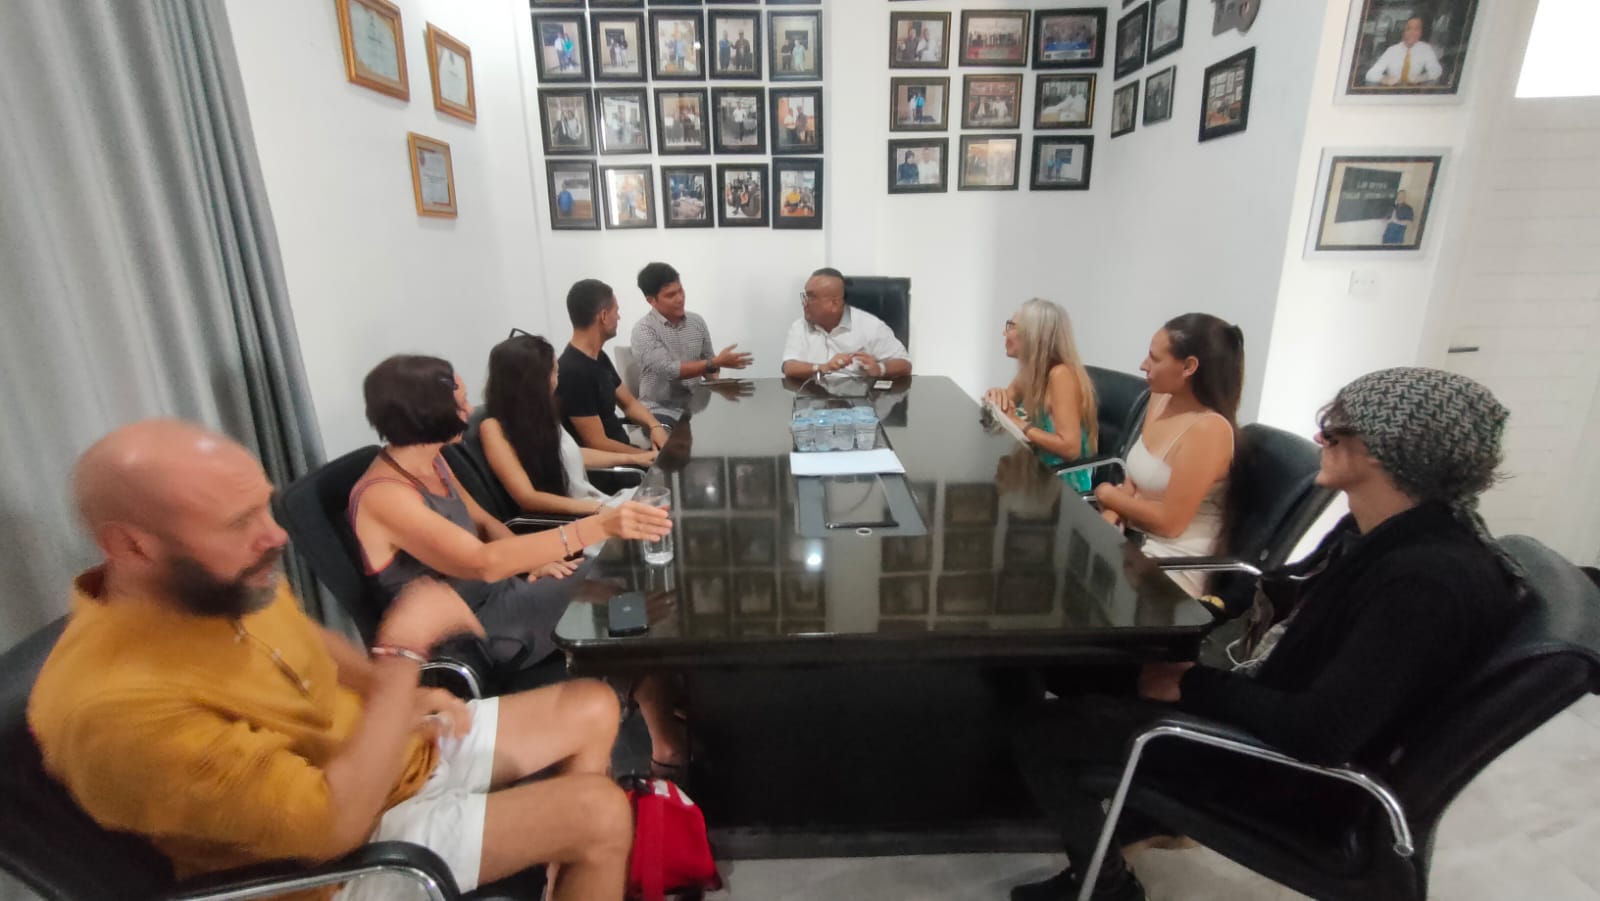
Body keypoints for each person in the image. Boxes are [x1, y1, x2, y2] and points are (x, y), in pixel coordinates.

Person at [29, 419, 651, 901]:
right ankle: (578, 852)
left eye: (265, 506)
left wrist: (391, 693)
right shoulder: (114, 710)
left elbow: (310, 642)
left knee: (593, 705)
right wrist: (402, 654)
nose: (275, 535)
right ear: (132, 545)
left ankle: (560, 874)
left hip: (387, 761)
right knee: (598, 815)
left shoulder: (217, 585)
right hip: (332, 865)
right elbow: (334, 825)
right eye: (238, 522)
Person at [1009, 367, 1522, 901]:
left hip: (1284, 771)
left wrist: (1190, 684)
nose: (1321, 437)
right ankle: (1141, 814)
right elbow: (1284, 610)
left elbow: (1320, 732)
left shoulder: (1425, 583)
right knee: (1075, 666)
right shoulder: (1381, 533)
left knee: (1040, 731)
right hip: (1269, 695)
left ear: (1384, 452)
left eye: (1336, 428)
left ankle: (1106, 886)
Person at [350, 354, 669, 666]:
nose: (469, 410)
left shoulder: (433, 461)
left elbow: (484, 521)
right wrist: (599, 525)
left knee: (623, 575)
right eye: (460, 403)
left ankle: (650, 684)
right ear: (426, 413)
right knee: (621, 597)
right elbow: (482, 563)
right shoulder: (385, 495)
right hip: (473, 630)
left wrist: (535, 563)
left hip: (503, 590)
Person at [1092, 313, 1243, 596]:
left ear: (1188, 367)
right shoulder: (1160, 398)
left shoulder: (1209, 430)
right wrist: (1113, 511)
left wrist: (1107, 495)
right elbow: (1135, 478)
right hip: (1136, 537)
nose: (1143, 365)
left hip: (1173, 562)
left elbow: (1170, 523)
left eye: (1155, 358)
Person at [483, 334, 655, 517]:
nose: (556, 378)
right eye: (553, 372)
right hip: (570, 517)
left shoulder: (541, 415)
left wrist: (634, 458)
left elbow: (570, 454)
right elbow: (528, 497)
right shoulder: (492, 428)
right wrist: (599, 510)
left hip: (593, 506)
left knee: (661, 501)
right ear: (532, 381)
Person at [983, 299, 1099, 492]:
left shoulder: (1061, 375)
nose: (1005, 333)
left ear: (1032, 334)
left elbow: (1070, 448)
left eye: (1011, 326)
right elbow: (1003, 409)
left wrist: (1019, 424)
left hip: (1062, 484)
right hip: (1034, 469)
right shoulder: (1030, 372)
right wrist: (994, 397)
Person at [556, 278, 672, 455]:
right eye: (616, 311)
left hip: (627, 454)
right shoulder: (573, 372)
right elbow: (597, 443)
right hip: (614, 465)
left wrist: (654, 425)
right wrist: (647, 457)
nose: (618, 317)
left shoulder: (598, 357)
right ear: (603, 316)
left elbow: (629, 403)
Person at [630, 261, 753, 423]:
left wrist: (720, 385)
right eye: (671, 295)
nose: (680, 298)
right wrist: (715, 362)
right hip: (658, 411)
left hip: (695, 406)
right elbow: (670, 370)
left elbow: (709, 365)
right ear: (651, 300)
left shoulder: (696, 322)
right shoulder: (644, 330)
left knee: (737, 420)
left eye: (681, 290)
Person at [780, 267, 913, 381]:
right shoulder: (799, 327)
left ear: (834, 303)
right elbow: (789, 367)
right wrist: (823, 367)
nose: (804, 302)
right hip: (812, 397)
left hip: (856, 399)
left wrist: (879, 369)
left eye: (811, 297)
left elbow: (905, 364)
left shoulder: (870, 326)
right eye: (805, 296)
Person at [1364, 16, 1443, 86]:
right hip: (1392, 91)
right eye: (1408, 29)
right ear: (1403, 32)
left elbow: (1437, 71)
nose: (1412, 33)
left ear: (1421, 32)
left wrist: (1421, 78)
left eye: (1416, 29)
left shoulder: (1425, 49)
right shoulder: (1392, 50)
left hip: (1415, 92)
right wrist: (1385, 79)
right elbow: (1370, 74)